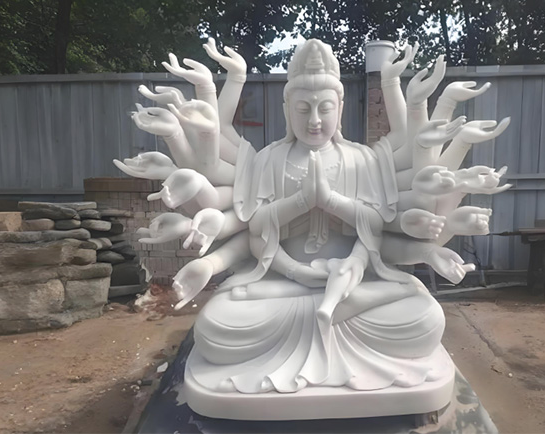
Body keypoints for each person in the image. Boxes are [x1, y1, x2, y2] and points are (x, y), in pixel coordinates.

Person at [185, 40, 450, 394]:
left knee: (426, 317)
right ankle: (330, 315)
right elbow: (257, 232)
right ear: (287, 110)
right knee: (214, 326)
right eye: (303, 109)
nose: (314, 121)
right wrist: (299, 222)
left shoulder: (362, 159)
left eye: (324, 108)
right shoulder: (268, 160)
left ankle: (338, 309)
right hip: (283, 289)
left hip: (352, 286)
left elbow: (375, 228)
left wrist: (331, 203)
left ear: (340, 108)